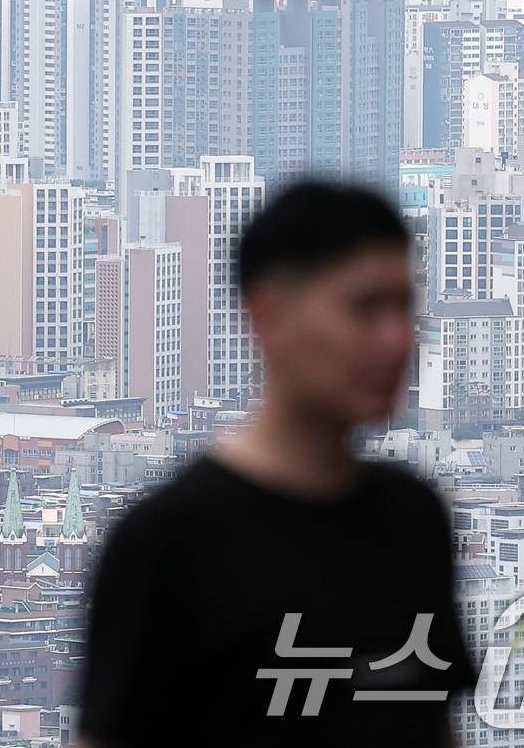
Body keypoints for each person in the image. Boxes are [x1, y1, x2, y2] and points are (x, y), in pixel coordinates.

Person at [78, 182, 475, 747]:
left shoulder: (413, 518)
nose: (396, 340)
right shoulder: (171, 543)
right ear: (268, 318)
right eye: (364, 308)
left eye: (403, 307)